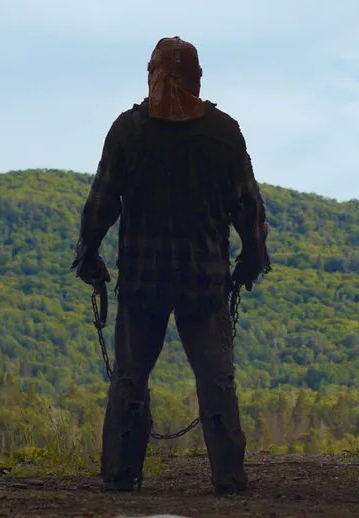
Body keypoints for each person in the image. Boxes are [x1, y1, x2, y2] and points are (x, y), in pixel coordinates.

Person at [71, 36, 270, 494]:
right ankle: (229, 476)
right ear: (198, 78)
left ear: (151, 75)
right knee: (216, 379)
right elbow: (248, 207)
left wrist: (88, 256)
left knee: (130, 378)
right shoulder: (222, 132)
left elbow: (100, 203)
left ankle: (122, 473)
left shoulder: (128, 131)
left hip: (143, 282)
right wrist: (252, 259)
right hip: (204, 280)